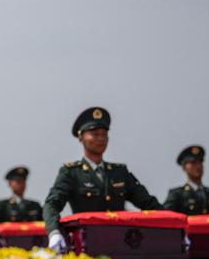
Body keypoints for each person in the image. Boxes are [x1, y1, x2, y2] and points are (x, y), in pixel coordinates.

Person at [43, 107, 161, 251]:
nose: (101, 139)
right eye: (94, 134)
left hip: (123, 246)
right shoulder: (71, 173)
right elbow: (51, 205)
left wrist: (176, 227)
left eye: (104, 134)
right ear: (81, 137)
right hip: (88, 246)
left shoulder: (119, 172)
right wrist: (54, 233)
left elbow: (148, 203)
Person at [0, 166, 43, 250]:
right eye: (18, 181)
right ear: (10, 184)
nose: (21, 184)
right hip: (10, 248)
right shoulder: (2, 205)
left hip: (34, 246)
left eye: (23, 181)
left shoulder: (35, 205)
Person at [163, 145, 209, 215]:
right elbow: (165, 217)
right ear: (184, 167)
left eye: (200, 162)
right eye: (193, 162)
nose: (198, 166)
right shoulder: (177, 194)